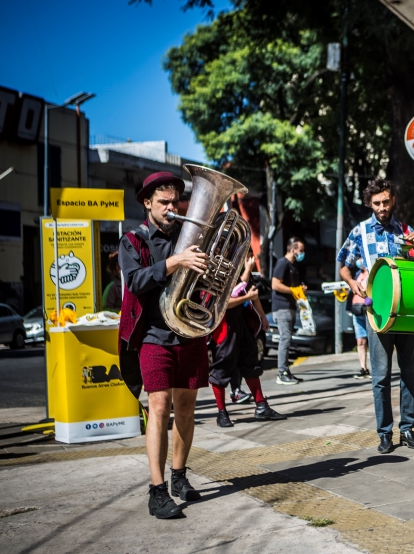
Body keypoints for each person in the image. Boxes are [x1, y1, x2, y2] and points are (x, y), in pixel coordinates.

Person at [118, 171, 208, 520]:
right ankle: (156, 490)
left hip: (190, 333)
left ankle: (179, 476)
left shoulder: (191, 237)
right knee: (159, 407)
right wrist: (175, 262)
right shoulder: (133, 241)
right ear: (147, 203)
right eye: (164, 203)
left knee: (186, 408)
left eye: (175, 202)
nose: (172, 209)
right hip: (154, 335)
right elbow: (135, 282)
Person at [338, 178, 414, 454]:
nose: (382, 207)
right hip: (376, 313)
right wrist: (354, 285)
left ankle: (408, 428)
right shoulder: (360, 232)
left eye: (386, 202)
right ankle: (385, 433)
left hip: (406, 311)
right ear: (370, 204)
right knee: (381, 375)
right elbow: (343, 264)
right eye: (377, 203)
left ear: (393, 200)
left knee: (409, 371)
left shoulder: (405, 230)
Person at [210, 251, 285, 427]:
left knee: (251, 365)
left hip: (243, 325)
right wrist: (248, 288)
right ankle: (221, 412)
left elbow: (253, 293)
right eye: (246, 253)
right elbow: (226, 302)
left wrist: (262, 317)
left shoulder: (244, 270)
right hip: (225, 328)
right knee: (221, 369)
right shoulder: (219, 270)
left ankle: (261, 405)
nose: (249, 257)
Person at [270, 238, 306, 385]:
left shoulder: (294, 265)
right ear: (293, 250)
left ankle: (286, 371)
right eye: (301, 250)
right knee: (285, 338)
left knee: (288, 338)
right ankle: (282, 373)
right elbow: (275, 284)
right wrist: (292, 290)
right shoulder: (282, 263)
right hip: (281, 307)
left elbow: (294, 286)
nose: (303, 253)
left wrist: (300, 288)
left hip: (290, 306)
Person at [349, 260, 370, 380]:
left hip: (368, 310)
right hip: (356, 311)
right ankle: (363, 368)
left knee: (372, 341)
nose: (359, 261)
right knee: (360, 341)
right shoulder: (357, 274)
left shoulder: (372, 274)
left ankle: (377, 368)